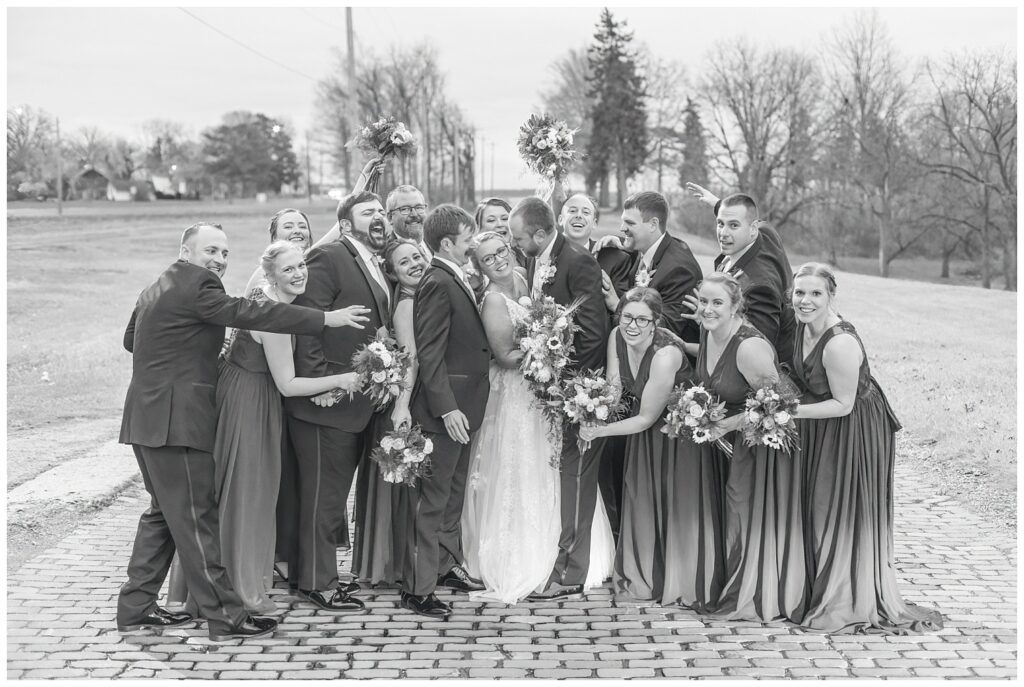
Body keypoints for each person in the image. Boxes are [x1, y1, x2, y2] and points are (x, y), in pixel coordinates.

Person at [117, 222, 367, 641]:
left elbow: (131, 340)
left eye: (225, 253)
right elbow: (249, 312)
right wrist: (325, 318)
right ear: (186, 250)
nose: (218, 259)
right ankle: (227, 617)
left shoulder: (156, 287)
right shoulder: (199, 286)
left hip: (145, 420)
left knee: (162, 515)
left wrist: (179, 354)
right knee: (199, 521)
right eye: (210, 250)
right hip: (175, 423)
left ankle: (136, 608)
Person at [790, 263, 942, 634]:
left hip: (853, 426)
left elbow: (842, 403)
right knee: (816, 502)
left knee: (838, 504)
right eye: (799, 293)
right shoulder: (801, 326)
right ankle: (818, 582)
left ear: (831, 297)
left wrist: (784, 411)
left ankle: (847, 591)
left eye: (815, 294)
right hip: (823, 421)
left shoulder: (839, 342)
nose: (805, 301)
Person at [580, 288, 726, 609]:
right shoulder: (617, 335)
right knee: (642, 497)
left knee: (675, 503)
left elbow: (647, 417)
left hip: (677, 439)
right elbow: (615, 385)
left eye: (642, 319)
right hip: (643, 436)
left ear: (655, 322)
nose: (632, 325)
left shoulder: (665, 355)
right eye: (626, 316)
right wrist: (593, 409)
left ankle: (681, 578)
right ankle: (646, 571)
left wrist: (599, 430)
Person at [284, 191, 394, 613]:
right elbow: (307, 320)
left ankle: (318, 574)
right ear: (346, 225)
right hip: (324, 403)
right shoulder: (329, 257)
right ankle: (317, 583)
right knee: (322, 496)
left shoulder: (372, 261)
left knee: (332, 495)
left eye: (382, 211)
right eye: (369, 213)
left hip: (355, 402)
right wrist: (318, 383)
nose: (379, 217)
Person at [509, 197, 608, 601]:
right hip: (551, 387)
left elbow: (593, 329)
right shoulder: (538, 258)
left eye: (518, 237)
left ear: (538, 233)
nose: (515, 244)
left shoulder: (578, 261)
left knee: (578, 477)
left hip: (577, 390)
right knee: (562, 476)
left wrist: (565, 382)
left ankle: (571, 572)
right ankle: (559, 557)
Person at [694, 272, 806, 623]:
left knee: (745, 514)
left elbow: (775, 402)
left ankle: (755, 593)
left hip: (763, 444)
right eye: (703, 302)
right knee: (732, 514)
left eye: (717, 303)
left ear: (735, 306)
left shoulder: (749, 347)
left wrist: (725, 425)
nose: (708, 309)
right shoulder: (708, 332)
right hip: (735, 442)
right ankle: (733, 582)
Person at [401, 204, 490, 618]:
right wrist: (447, 409)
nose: (473, 245)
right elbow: (431, 354)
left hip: (466, 407)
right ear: (447, 243)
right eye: (468, 239)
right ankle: (417, 590)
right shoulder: (436, 281)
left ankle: (444, 565)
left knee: (453, 494)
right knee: (432, 501)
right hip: (444, 414)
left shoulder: (454, 275)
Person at [558, 191, 634, 544]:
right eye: (571, 209)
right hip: (551, 372)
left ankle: (606, 534)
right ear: (559, 218)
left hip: (599, 370)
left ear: (594, 222)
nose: (577, 215)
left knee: (595, 460)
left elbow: (626, 310)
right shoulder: (540, 258)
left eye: (585, 211)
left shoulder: (613, 257)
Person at [351, 239, 428, 585]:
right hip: (406, 403)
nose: (413, 264)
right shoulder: (406, 306)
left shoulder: (427, 296)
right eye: (403, 263)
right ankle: (393, 564)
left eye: (416, 257)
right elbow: (411, 359)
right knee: (400, 486)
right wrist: (402, 405)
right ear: (393, 273)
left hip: (414, 398)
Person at [683, 184, 796, 365]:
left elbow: (757, 349)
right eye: (720, 224)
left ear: (752, 229)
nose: (723, 233)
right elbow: (754, 220)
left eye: (733, 225)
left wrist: (707, 319)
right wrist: (718, 204)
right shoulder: (765, 233)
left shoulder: (758, 287)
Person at [611, 192, 702, 352]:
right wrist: (612, 244)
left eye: (630, 223)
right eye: (622, 221)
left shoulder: (679, 269)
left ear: (653, 224)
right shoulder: (647, 248)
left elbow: (666, 329)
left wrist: (616, 304)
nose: (622, 228)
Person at [475, 197, 527, 268]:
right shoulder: (473, 263)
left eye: (505, 218)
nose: (500, 224)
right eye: (491, 220)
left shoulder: (528, 256)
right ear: (478, 227)